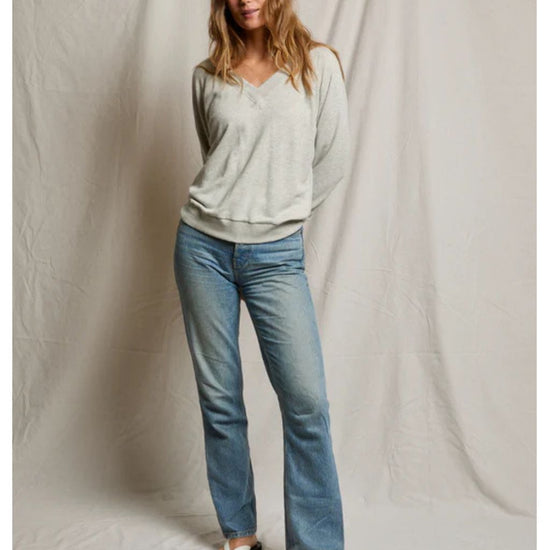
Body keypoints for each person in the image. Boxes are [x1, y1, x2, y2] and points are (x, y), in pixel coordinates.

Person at [173, 0, 351, 549]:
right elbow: (218, 158)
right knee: (220, 398)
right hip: (202, 249)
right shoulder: (207, 76)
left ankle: (316, 544)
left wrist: (281, 214)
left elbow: (333, 158)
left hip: (276, 257)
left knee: (307, 403)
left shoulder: (318, 66)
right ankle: (239, 535)